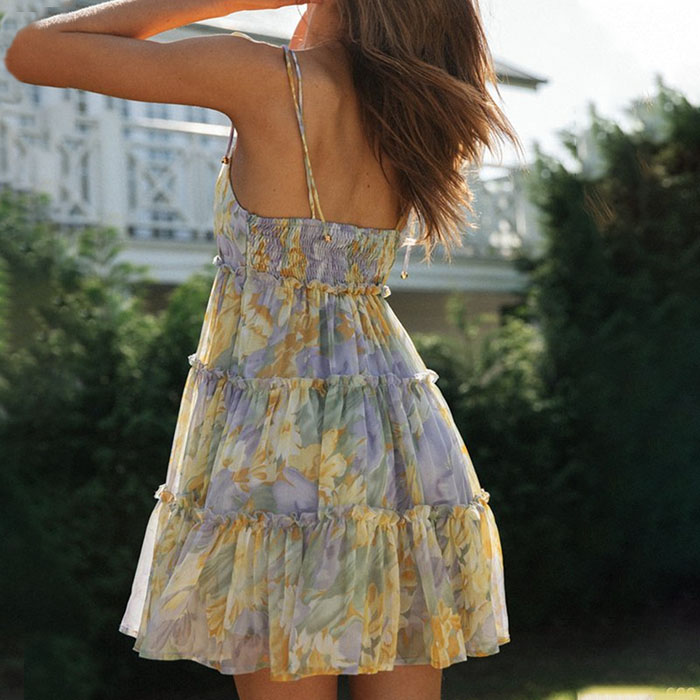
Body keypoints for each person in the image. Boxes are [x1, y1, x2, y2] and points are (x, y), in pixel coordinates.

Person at [7, 1, 521, 699]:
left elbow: (33, 50)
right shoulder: (408, 104)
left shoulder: (265, 76)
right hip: (394, 428)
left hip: (278, 442)